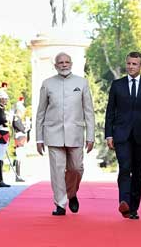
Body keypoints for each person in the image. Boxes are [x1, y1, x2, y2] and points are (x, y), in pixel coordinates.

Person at [104, 51, 141, 220]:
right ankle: (124, 201)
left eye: (134, 64)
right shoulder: (117, 85)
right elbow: (110, 112)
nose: (131, 66)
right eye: (129, 63)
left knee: (138, 172)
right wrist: (108, 134)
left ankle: (133, 208)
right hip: (121, 134)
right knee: (125, 168)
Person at [36, 52, 95, 216]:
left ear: (71, 63)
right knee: (57, 170)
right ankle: (60, 204)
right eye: (60, 62)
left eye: (66, 62)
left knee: (76, 168)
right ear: (55, 66)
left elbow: (89, 111)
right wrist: (39, 138)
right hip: (53, 134)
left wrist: (90, 136)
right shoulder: (47, 84)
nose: (64, 65)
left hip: (75, 133)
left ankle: (71, 193)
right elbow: (40, 112)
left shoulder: (81, 83)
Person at [12, 96, 30, 182]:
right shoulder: (16, 119)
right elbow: (21, 128)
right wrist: (26, 127)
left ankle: (19, 175)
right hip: (19, 139)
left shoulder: (19, 119)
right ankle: (18, 175)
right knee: (19, 157)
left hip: (21, 139)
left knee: (21, 157)